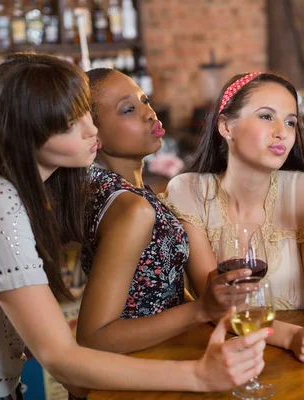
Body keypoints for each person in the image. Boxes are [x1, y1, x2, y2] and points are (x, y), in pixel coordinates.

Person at [0, 53, 271, 400]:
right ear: (22, 131)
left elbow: (48, 343)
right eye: (69, 123)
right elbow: (62, 358)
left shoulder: (12, 190)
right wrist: (199, 375)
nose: (91, 130)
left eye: (85, 115)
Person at [161, 72, 304, 364]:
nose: (282, 132)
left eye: (290, 122)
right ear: (225, 126)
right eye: (266, 117)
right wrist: (290, 337)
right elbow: (216, 306)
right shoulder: (189, 192)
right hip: (232, 360)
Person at [74, 68, 241, 357]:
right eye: (128, 109)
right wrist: (201, 310)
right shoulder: (131, 208)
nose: (149, 113)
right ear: (92, 134)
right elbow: (94, 337)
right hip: (132, 374)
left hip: (161, 356)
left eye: (144, 100)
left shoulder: (110, 189)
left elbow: (165, 293)